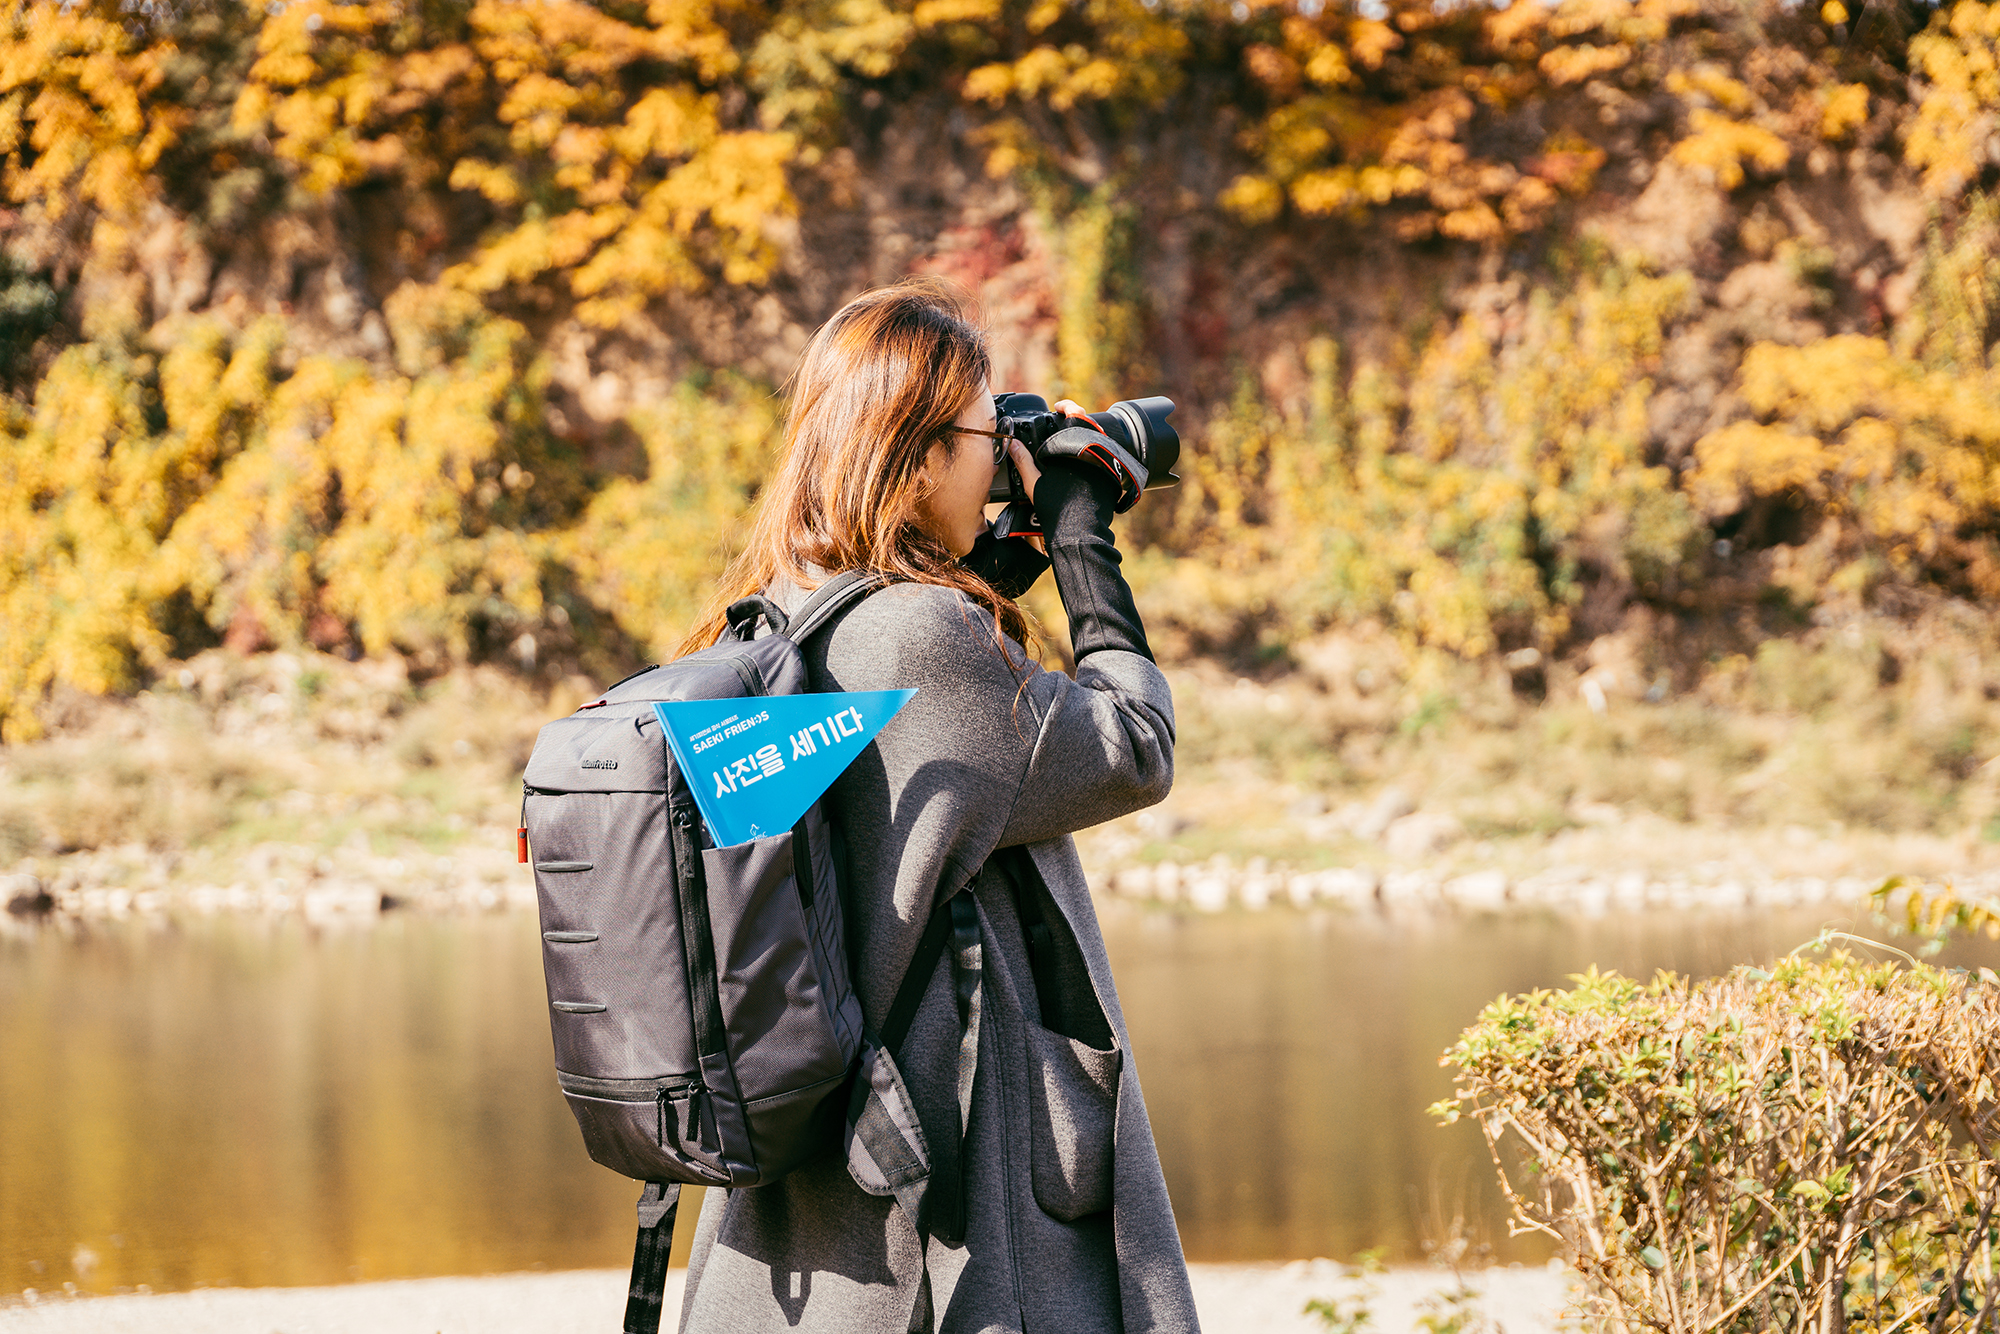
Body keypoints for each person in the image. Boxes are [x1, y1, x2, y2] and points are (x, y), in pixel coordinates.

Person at [673, 277, 1199, 1333]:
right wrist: (1084, 538)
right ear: (913, 459)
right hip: (951, 1217)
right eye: (978, 430)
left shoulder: (770, 627)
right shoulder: (917, 639)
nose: (994, 455)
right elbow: (1135, 746)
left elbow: (943, 718)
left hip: (804, 1214)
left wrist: (1002, 557)